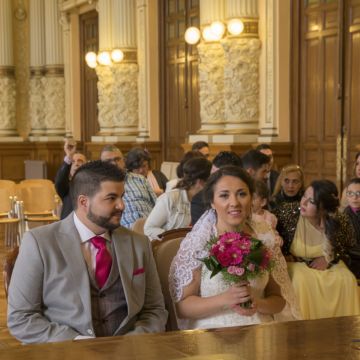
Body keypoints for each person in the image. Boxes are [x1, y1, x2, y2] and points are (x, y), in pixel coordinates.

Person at [8, 160, 167, 344]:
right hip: (66, 353)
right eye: (111, 198)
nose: (122, 205)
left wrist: (131, 343)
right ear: (84, 202)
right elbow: (21, 317)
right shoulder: (39, 243)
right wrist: (77, 343)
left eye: (122, 196)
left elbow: (155, 310)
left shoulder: (138, 243)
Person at [170, 166, 301, 330]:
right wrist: (226, 299)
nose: (234, 203)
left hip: (260, 328)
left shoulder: (263, 237)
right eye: (224, 195)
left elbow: (278, 300)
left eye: (242, 194)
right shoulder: (200, 242)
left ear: (251, 198)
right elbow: (182, 308)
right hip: (212, 331)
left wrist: (258, 303)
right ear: (212, 201)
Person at [285, 180, 360, 320]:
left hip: (330, 262)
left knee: (347, 279)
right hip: (297, 264)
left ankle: (345, 329)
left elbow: (349, 248)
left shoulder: (339, 219)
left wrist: (329, 257)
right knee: (301, 282)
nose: (304, 203)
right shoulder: (288, 214)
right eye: (304, 196)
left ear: (324, 208)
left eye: (311, 201)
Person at [144, 157, 211, 240]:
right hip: (168, 249)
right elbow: (149, 229)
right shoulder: (169, 199)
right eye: (211, 180)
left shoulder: (205, 200)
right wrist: (176, 239)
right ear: (200, 182)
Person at [190, 151, 243, 225]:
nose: (234, 203)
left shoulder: (249, 194)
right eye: (212, 175)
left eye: (242, 194)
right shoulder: (200, 200)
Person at [270, 164, 305, 256]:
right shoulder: (272, 203)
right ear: (281, 182)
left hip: (303, 251)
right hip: (278, 251)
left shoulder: (307, 203)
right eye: (287, 181)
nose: (290, 186)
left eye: (295, 181)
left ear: (301, 184)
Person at [121, 148, 157, 229]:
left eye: (144, 166)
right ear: (130, 168)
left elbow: (156, 204)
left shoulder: (143, 179)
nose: (141, 170)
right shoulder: (126, 181)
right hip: (130, 227)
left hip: (149, 223)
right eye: (137, 168)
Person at [55, 138, 86, 219]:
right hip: (68, 225)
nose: (76, 164)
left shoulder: (93, 185)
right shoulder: (66, 187)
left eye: (80, 161)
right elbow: (59, 181)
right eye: (72, 162)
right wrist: (69, 156)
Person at [343, 178, 360, 278]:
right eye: (350, 193)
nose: (354, 197)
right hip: (352, 260)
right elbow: (348, 247)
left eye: (359, 193)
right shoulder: (344, 216)